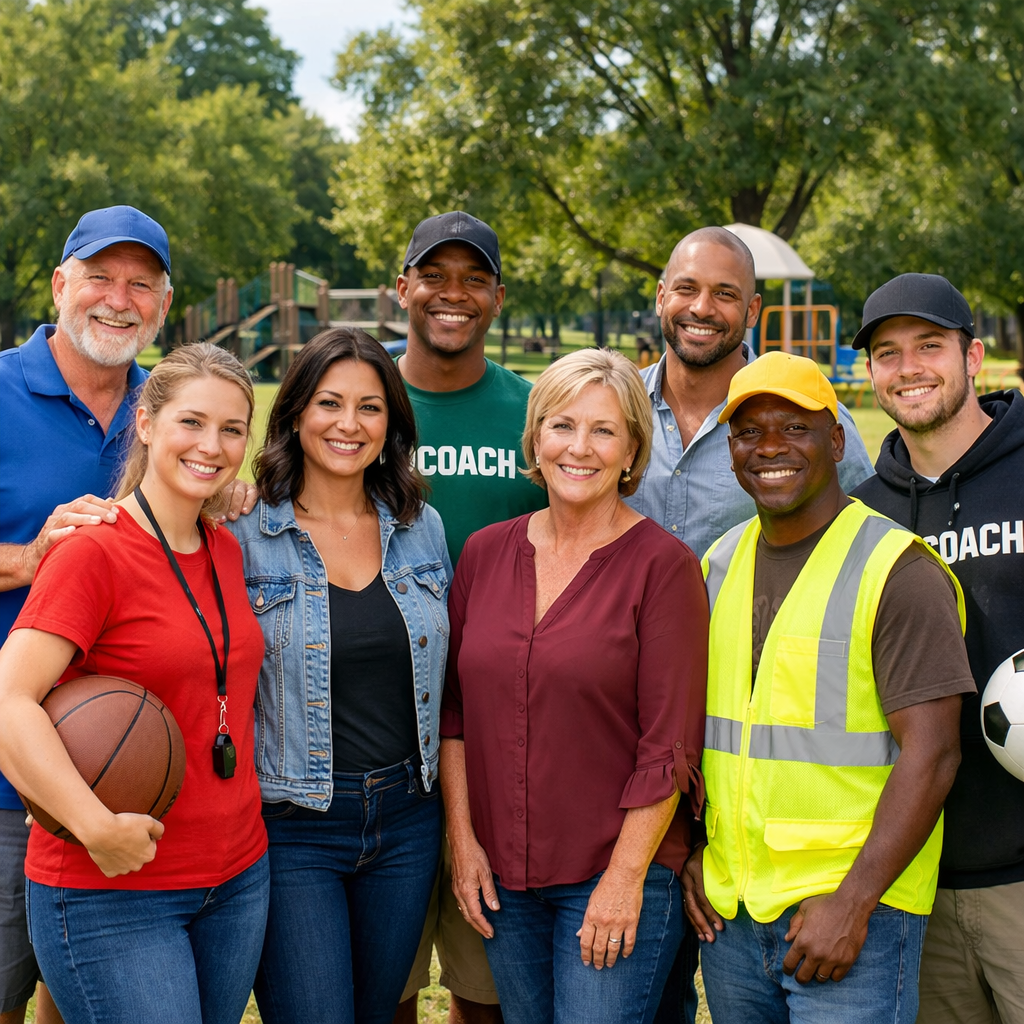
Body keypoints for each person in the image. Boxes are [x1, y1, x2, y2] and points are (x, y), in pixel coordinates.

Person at [0, 205, 249, 1024]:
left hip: (137, 776)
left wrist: (215, 483)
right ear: (59, 284)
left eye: (141, 284)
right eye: (100, 276)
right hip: (21, 772)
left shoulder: (169, 406)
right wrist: (26, 561)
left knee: (73, 1000)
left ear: (165, 305)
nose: (118, 298)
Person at [682, 351, 977, 1024]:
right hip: (734, 915)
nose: (769, 447)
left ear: (837, 441)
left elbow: (934, 754)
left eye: (795, 427)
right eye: (748, 432)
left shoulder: (895, 569)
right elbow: (718, 733)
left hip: (853, 921)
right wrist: (699, 849)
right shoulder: (718, 565)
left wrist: (853, 902)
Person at [630, 227, 876, 1024]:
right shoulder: (615, 410)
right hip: (625, 739)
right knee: (638, 985)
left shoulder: (804, 423)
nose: (702, 308)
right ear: (661, 297)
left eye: (725, 294)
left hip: (742, 748)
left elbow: (867, 546)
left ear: (753, 310)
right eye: (687, 289)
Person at [440, 348, 709, 1024]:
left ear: (632, 451)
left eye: (603, 430)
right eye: (562, 426)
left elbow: (670, 747)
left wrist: (624, 879)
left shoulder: (664, 567)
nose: (579, 448)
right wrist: (464, 844)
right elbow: (455, 716)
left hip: (614, 870)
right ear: (535, 437)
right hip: (504, 877)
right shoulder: (484, 554)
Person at [230, 328, 450, 1024]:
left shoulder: (421, 527)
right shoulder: (242, 531)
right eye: (329, 403)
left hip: (408, 819)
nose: (349, 424)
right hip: (293, 823)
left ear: (391, 423)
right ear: (296, 411)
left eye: (370, 407)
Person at [849, 274, 1024, 1024]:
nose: (909, 367)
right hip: (918, 884)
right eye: (887, 353)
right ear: (869, 373)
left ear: (972, 357)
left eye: (929, 346)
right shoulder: (862, 515)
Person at [394, 212, 547, 1024]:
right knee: (383, 989)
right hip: (372, 737)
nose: (452, 294)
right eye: (434, 275)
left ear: (497, 297)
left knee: (486, 994)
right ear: (402, 288)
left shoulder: (534, 414)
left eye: (473, 279)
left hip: (497, 739)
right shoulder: (359, 402)